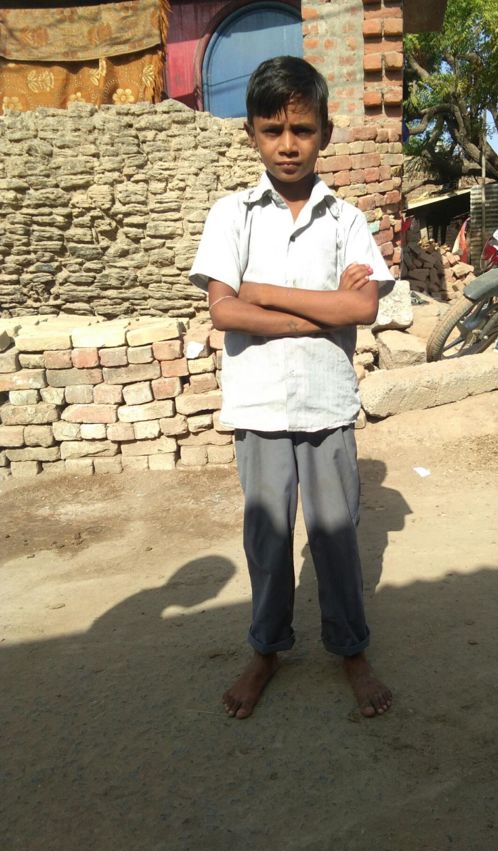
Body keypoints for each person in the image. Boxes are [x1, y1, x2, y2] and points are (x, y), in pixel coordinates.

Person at [189, 56, 393, 719]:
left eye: (302, 129)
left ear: (324, 133)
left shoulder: (346, 220)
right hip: (259, 404)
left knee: (335, 536)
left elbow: (362, 308)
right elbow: (225, 312)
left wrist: (263, 292)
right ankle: (266, 648)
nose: (287, 144)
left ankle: (351, 648)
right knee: (269, 539)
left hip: (327, 403)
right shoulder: (233, 215)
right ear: (251, 132)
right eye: (273, 129)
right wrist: (321, 310)